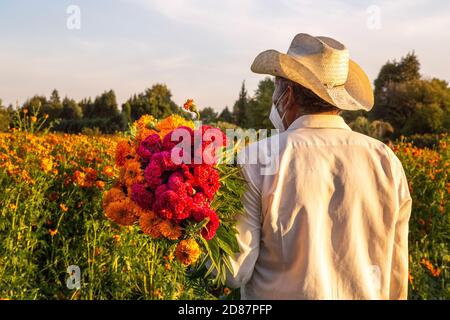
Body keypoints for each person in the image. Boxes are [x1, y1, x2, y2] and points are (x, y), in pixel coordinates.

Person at [228, 33, 412, 299]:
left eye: (275, 89)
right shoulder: (385, 161)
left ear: (287, 95)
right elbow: (396, 273)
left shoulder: (256, 159)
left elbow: (234, 271)